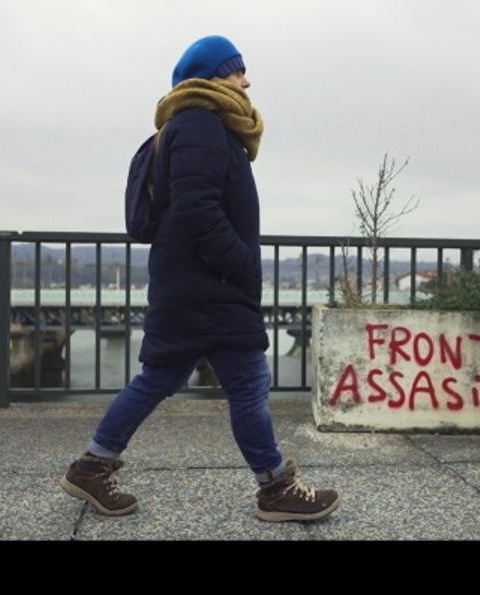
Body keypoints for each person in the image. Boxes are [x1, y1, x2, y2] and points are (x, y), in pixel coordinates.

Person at [59, 35, 340, 522]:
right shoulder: (200, 125)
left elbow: (193, 210)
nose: (246, 80)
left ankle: (92, 467)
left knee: (161, 378)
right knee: (247, 382)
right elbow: (197, 210)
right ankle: (274, 487)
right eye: (236, 71)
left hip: (195, 285)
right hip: (209, 286)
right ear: (210, 78)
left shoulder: (196, 126)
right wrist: (243, 264)